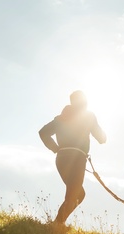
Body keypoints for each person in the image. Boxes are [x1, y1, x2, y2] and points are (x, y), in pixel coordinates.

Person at [39, 90, 106, 226]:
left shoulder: (61, 118)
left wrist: (55, 148)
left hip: (62, 158)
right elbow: (102, 138)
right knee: (74, 193)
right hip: (77, 158)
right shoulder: (88, 116)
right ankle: (56, 224)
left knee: (78, 194)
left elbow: (43, 133)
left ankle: (59, 223)